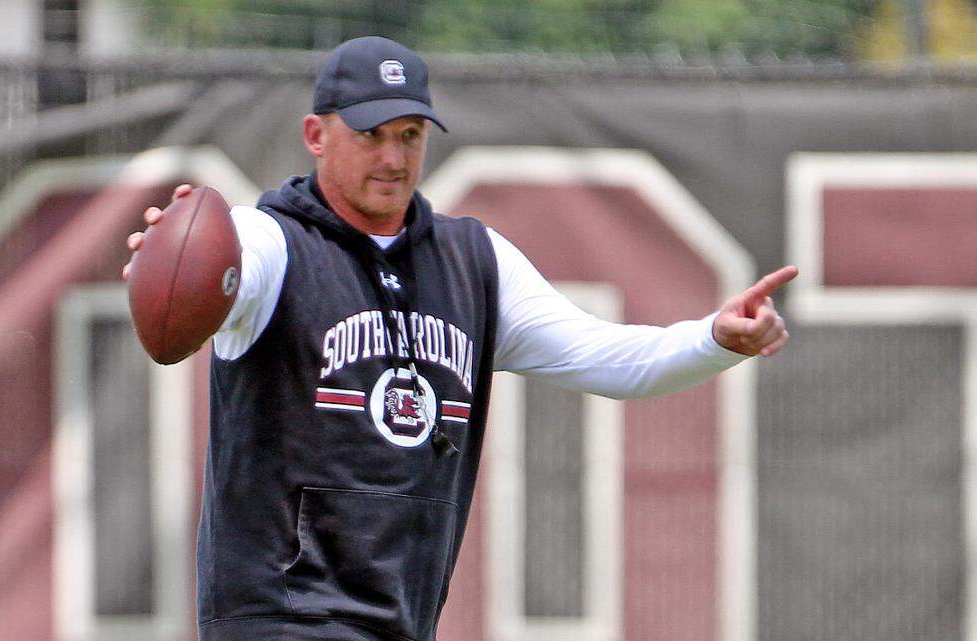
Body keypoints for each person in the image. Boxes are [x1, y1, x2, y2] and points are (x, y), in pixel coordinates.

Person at [123, 36, 794, 641]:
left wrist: (714, 338)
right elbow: (229, 265)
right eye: (371, 134)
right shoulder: (275, 243)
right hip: (281, 615)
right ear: (316, 134)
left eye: (410, 135)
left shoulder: (473, 262)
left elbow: (606, 359)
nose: (393, 157)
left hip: (400, 619)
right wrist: (179, 266)